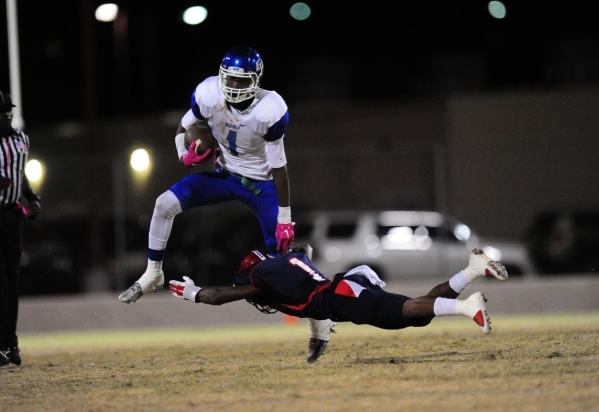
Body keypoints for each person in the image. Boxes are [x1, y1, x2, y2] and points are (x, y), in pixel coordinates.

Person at [118, 46, 336, 358]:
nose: (232, 87)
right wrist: (185, 152)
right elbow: (183, 125)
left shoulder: (269, 109)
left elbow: (279, 169)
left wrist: (285, 218)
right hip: (225, 175)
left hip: (261, 186)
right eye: (229, 80)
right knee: (164, 203)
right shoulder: (208, 93)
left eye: (240, 81)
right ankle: (154, 273)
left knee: (283, 264)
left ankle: (320, 319)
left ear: (255, 80)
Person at [169, 246, 508, 363]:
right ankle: (471, 271)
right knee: (415, 314)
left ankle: (467, 306)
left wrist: (192, 292)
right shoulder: (284, 260)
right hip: (342, 287)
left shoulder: (258, 277)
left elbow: (218, 296)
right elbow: (302, 250)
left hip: (340, 295)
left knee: (405, 312)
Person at [0, 91, 42, 367]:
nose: (5, 114)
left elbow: (19, 171)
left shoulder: (20, 139)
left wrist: (32, 197)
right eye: (0, 110)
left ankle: (10, 345)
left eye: (8, 109)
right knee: (1, 283)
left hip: (12, 217)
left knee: (12, 283)